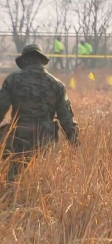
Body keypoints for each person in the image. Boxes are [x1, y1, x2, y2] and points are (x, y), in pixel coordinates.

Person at [0, 44, 79, 182]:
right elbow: (66, 119)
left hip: (19, 139)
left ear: (24, 61)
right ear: (42, 61)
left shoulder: (13, 80)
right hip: (45, 139)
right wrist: (75, 143)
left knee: (14, 180)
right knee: (41, 180)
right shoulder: (56, 84)